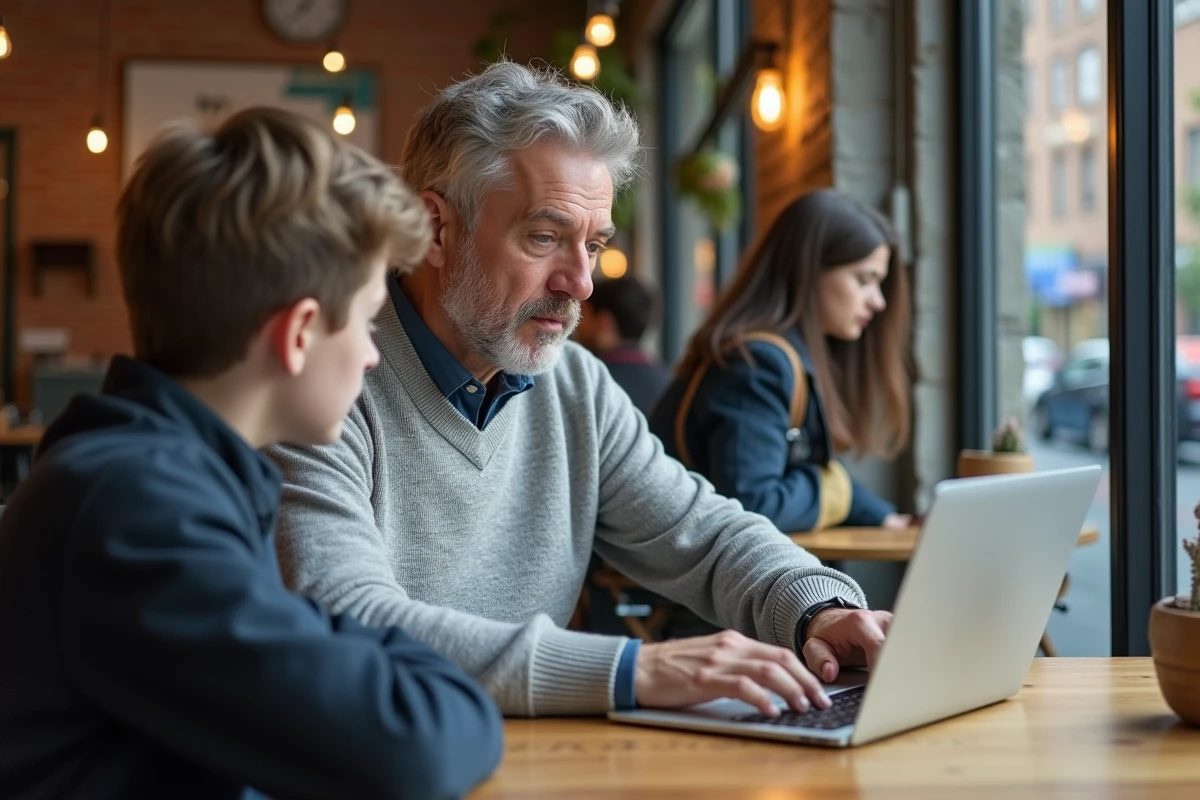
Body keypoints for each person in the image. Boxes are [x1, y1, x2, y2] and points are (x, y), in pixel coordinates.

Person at [270, 61, 894, 722]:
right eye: (544, 237)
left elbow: (700, 533)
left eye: (593, 245)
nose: (582, 284)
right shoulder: (323, 382)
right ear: (437, 229)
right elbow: (348, 619)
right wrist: (631, 668)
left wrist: (816, 606)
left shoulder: (573, 382)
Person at [0, 107, 503, 799]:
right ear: (298, 334)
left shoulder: (161, 480)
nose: (371, 355)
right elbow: (407, 751)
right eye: (363, 320)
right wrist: (454, 681)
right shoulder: (137, 512)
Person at [648, 189, 913, 532]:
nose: (877, 302)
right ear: (808, 271)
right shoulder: (757, 365)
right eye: (864, 280)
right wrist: (835, 490)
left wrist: (881, 515)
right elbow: (751, 505)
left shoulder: (772, 356)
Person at [573, 276, 671, 414]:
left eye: (583, 314)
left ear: (604, 323)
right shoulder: (667, 381)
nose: (575, 324)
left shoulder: (587, 383)